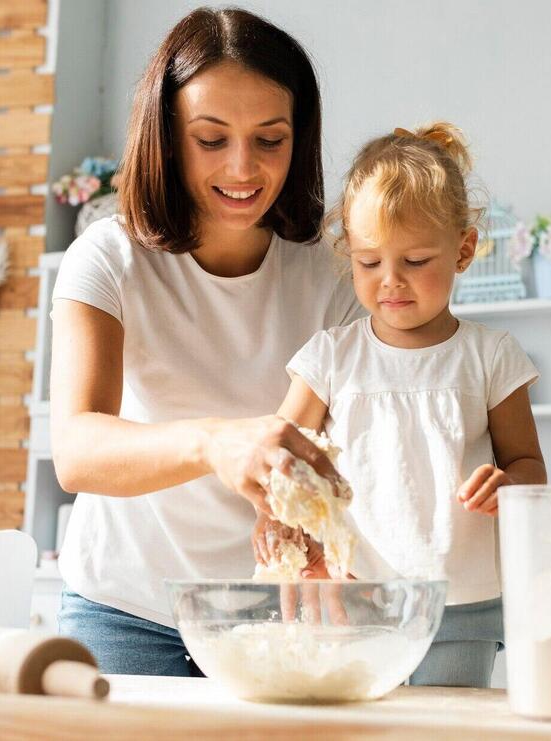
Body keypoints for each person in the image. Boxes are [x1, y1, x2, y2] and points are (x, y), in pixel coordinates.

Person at [48, 7, 364, 675]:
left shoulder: (331, 275)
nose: (243, 168)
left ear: (299, 138)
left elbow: (346, 444)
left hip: (273, 612)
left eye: (270, 139)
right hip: (123, 607)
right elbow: (76, 449)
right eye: (211, 139)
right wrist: (214, 441)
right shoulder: (107, 260)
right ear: (166, 138)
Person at [255, 122, 547, 687]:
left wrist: (509, 487)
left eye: (415, 261)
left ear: (463, 249)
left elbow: (530, 465)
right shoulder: (330, 358)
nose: (391, 282)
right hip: (350, 598)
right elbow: (278, 457)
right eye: (369, 263)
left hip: (460, 605)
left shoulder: (492, 356)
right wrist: (280, 520)